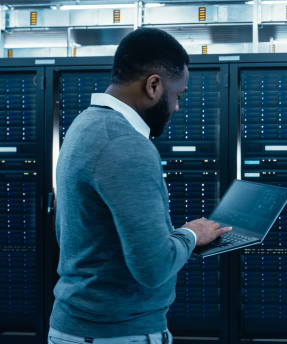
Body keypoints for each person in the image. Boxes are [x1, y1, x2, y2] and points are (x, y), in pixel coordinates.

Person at [48, 28, 231, 344]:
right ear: (154, 85)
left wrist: (174, 238)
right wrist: (190, 234)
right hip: (118, 333)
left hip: (82, 327)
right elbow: (153, 267)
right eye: (178, 96)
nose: (176, 108)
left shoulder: (85, 124)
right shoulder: (125, 144)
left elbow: (82, 233)